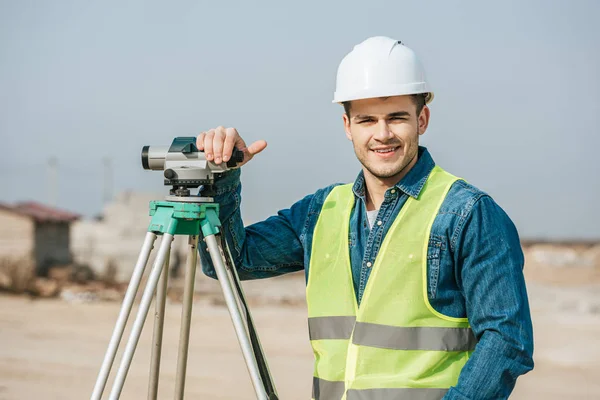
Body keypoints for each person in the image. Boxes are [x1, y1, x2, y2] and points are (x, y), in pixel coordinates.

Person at [196, 36, 534, 400]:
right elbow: (228, 261)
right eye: (367, 120)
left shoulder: (467, 213)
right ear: (347, 126)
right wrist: (222, 178)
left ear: (422, 118)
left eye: (397, 118)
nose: (382, 134)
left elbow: (506, 341)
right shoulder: (321, 211)